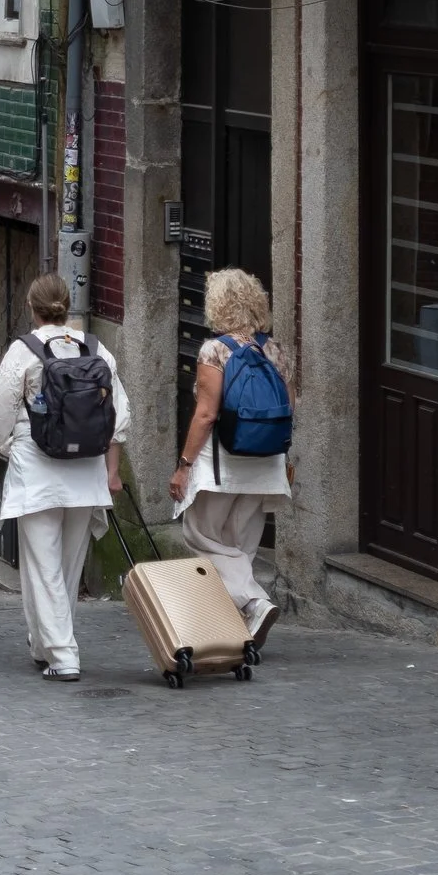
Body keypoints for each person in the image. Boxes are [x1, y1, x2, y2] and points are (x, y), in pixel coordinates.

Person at [0, 273, 130, 682]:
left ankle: (63, 655)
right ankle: (45, 644)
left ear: (32, 306)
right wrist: (110, 469)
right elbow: (121, 416)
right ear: (67, 304)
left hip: (38, 468)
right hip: (86, 473)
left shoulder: (24, 351)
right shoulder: (98, 351)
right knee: (66, 567)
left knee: (42, 567)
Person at [171, 267, 291, 649]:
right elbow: (289, 407)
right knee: (240, 548)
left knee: (201, 535)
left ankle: (255, 601)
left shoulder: (215, 350)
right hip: (266, 463)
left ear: (217, 305)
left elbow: (206, 414)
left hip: (223, 464)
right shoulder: (274, 349)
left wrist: (185, 465)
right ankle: (240, 626)